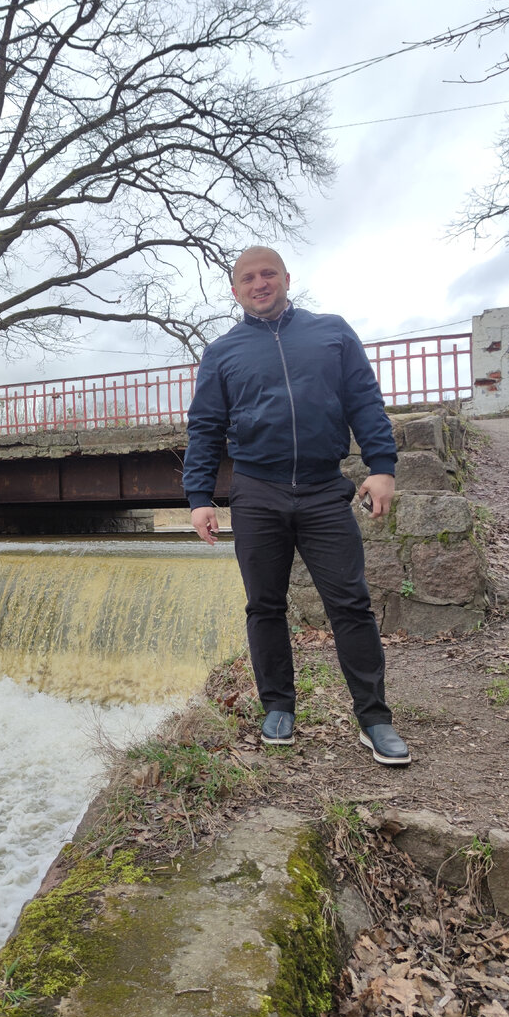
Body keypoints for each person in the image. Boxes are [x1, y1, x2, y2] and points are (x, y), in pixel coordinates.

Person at [183, 245, 410, 766]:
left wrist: (381, 466)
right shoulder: (223, 352)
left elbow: (364, 401)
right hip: (256, 492)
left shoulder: (331, 332)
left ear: (286, 277)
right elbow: (205, 427)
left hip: (323, 488)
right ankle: (278, 707)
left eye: (268, 274)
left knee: (350, 605)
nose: (259, 284)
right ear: (235, 290)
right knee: (265, 606)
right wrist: (199, 498)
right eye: (248, 278)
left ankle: (374, 719)